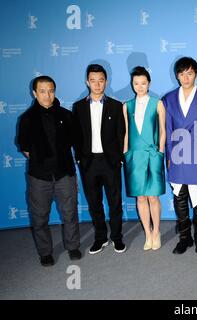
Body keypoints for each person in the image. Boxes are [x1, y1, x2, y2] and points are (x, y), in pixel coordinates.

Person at [17, 75, 81, 266]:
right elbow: (26, 149)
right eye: (43, 91)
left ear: (55, 91)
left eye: (51, 91)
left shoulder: (66, 115)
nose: (47, 95)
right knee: (39, 217)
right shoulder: (26, 119)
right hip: (39, 177)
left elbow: (74, 141)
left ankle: (73, 246)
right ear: (35, 93)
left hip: (65, 174)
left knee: (70, 213)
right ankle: (45, 252)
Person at [162, 57, 197, 254]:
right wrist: (168, 155)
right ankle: (185, 238)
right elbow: (167, 130)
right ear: (177, 75)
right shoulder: (168, 99)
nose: (186, 77)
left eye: (190, 73)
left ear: (196, 74)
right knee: (180, 196)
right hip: (176, 154)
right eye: (182, 73)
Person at [72, 64, 126, 255]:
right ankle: (100, 238)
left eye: (101, 80)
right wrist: (79, 160)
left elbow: (122, 134)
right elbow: (76, 136)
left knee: (115, 202)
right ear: (87, 82)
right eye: (93, 80)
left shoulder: (116, 105)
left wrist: (119, 160)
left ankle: (117, 238)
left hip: (110, 162)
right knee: (94, 202)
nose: (97, 84)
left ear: (106, 82)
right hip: (88, 163)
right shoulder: (78, 107)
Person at [122, 66, 166, 251]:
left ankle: (156, 232)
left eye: (143, 83)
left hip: (152, 155)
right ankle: (147, 234)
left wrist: (160, 152)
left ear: (149, 84)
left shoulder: (157, 103)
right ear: (133, 85)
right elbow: (126, 132)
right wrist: (125, 154)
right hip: (134, 156)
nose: (140, 86)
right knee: (140, 198)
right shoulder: (127, 105)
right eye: (136, 83)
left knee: (153, 197)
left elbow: (163, 130)